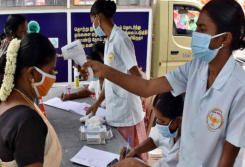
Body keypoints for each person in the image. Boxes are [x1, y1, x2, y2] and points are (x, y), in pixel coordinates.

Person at [82, 0, 245, 166]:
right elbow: (147, 87)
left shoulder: (240, 88)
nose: (195, 34)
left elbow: (228, 158)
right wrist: (104, 70)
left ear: (225, 38)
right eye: (196, 28)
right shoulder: (196, 66)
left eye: (202, 30)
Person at [0, 33, 62, 167]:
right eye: (50, 71)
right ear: (32, 73)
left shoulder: (3, 101)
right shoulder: (28, 122)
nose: (53, 77)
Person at [87, 0, 147, 160]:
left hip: (125, 111)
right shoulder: (108, 41)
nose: (92, 25)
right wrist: (97, 103)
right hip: (115, 109)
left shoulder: (120, 39)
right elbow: (110, 78)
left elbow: (136, 76)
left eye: (92, 20)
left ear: (98, 18)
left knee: (129, 159)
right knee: (119, 157)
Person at [119, 92, 184, 167]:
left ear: (178, 120)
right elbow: (154, 140)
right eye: (157, 119)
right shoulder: (167, 125)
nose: (159, 124)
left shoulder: (191, 144)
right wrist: (134, 150)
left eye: (162, 121)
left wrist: (134, 164)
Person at [61, 42, 106, 108]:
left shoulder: (111, 78)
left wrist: (97, 104)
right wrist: (69, 96)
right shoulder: (96, 78)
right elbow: (88, 91)